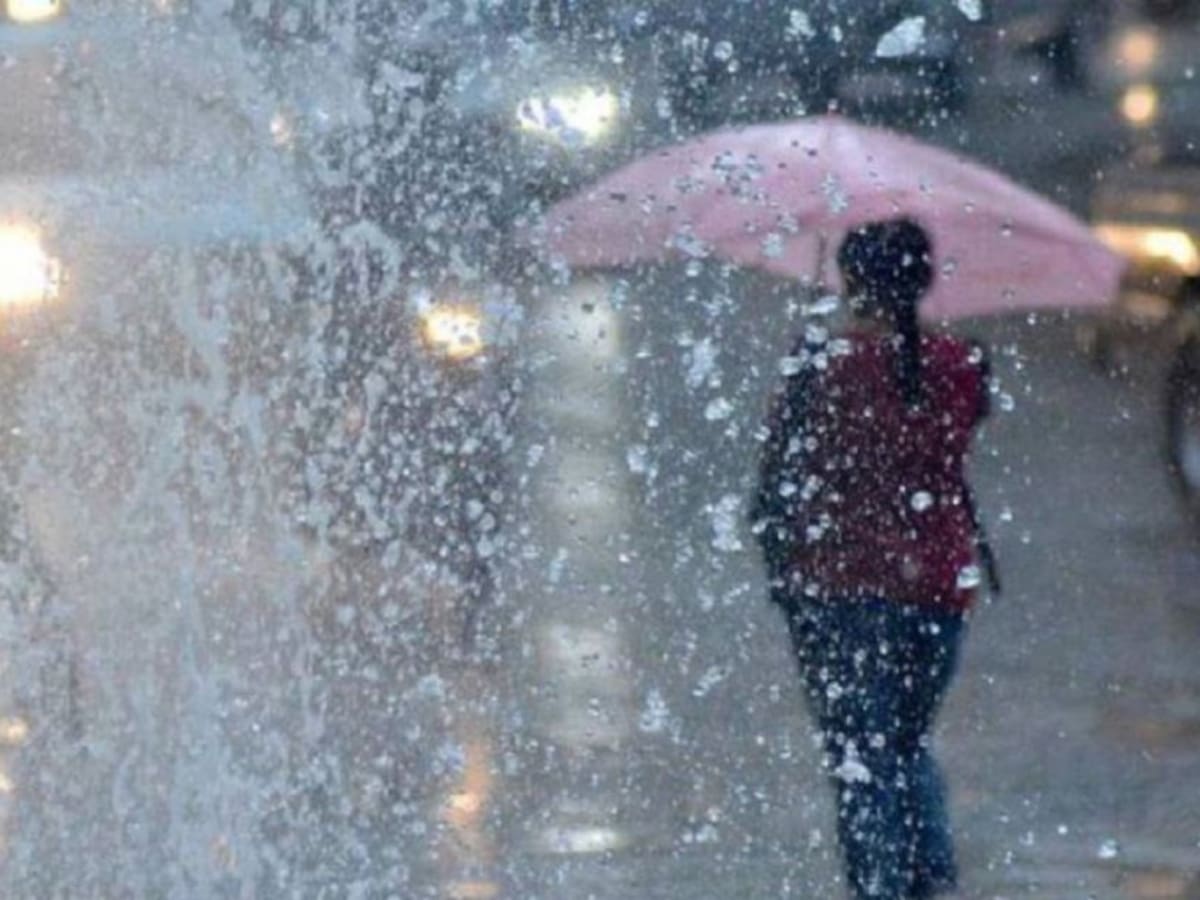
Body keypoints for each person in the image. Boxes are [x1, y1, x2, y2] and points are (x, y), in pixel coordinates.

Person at [752, 219, 993, 900]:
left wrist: (807, 354)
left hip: (838, 587)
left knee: (860, 757)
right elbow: (950, 434)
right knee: (907, 744)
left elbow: (781, 467)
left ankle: (878, 890)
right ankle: (930, 883)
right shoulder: (962, 365)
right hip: (939, 588)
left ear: (852, 282)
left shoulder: (823, 367)